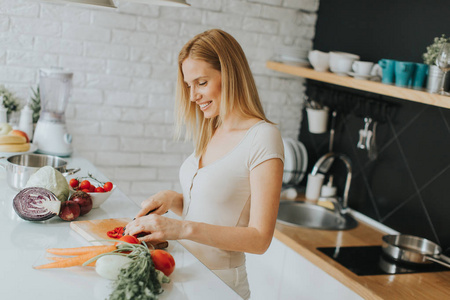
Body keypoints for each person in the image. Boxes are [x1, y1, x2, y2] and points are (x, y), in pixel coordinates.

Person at [124, 29, 284, 299]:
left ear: (230, 75)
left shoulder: (263, 137)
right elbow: (215, 207)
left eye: (201, 82)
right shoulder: (213, 129)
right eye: (189, 85)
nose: (192, 96)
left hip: (221, 285)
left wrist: (180, 228)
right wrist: (173, 199)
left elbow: (259, 239)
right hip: (188, 273)